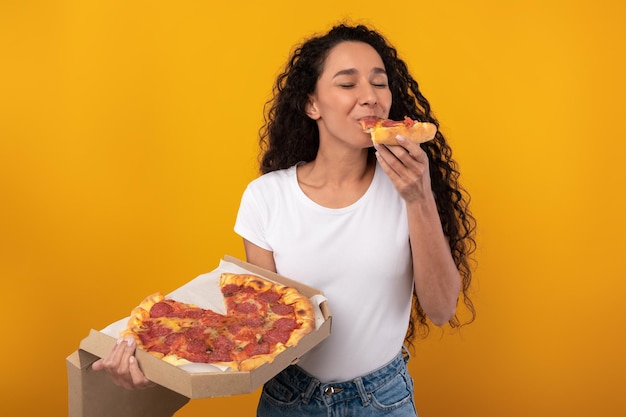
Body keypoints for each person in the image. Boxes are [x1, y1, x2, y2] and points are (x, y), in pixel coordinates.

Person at [93, 22, 476, 417]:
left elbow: (442, 308)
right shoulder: (266, 198)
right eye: (347, 84)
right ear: (312, 104)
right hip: (290, 399)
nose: (370, 98)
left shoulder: (408, 187)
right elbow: (258, 328)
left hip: (382, 398)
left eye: (379, 84)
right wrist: (153, 359)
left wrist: (419, 197)